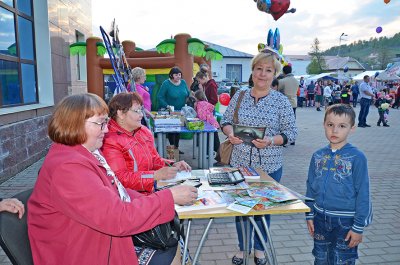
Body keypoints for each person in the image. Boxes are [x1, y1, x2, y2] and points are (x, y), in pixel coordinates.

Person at [28, 93, 198, 265]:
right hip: (81, 253)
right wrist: (168, 198)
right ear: (75, 124)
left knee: (175, 247)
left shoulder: (83, 154)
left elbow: (116, 191)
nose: (107, 129)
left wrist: (160, 195)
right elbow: (118, 218)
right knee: (172, 252)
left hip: (94, 240)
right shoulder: (68, 168)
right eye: (101, 123)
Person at [221, 51, 297, 265]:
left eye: (268, 70)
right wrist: (230, 134)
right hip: (239, 163)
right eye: (259, 69)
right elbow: (225, 120)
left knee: (263, 208)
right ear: (252, 71)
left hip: (269, 166)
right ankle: (243, 247)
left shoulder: (281, 101)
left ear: (274, 74)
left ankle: (259, 249)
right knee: (241, 207)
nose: (263, 74)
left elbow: (291, 133)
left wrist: (271, 140)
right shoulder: (239, 96)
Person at [305, 104, 372, 265]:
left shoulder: (357, 157)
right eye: (330, 125)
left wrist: (358, 227)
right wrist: (309, 214)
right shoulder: (318, 155)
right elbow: (310, 186)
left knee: (342, 260)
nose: (335, 131)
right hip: (320, 219)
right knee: (320, 259)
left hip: (346, 222)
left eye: (342, 126)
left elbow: (363, 193)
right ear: (324, 125)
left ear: (352, 128)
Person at [102, 92, 192, 195]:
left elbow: (153, 159)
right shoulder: (109, 140)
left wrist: (172, 165)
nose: (141, 115)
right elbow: (119, 179)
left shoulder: (143, 131)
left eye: (141, 110)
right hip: (131, 199)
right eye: (136, 111)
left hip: (152, 190)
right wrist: (154, 176)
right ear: (121, 114)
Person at [157, 67, 190, 153]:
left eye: (179, 74)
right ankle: (172, 153)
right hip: (170, 112)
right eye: (176, 75)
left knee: (178, 131)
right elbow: (160, 97)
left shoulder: (183, 82)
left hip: (181, 111)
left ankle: (176, 149)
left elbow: (188, 93)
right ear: (171, 75)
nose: (178, 76)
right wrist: (167, 106)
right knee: (172, 132)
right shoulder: (166, 83)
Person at [194, 90, 221, 155]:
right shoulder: (206, 102)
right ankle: (219, 151)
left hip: (207, 125)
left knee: (207, 140)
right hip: (213, 123)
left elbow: (200, 115)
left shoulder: (199, 104)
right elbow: (213, 108)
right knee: (215, 139)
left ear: (197, 97)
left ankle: (208, 153)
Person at [278, 64, 299, 145]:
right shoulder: (296, 81)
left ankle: (283, 139)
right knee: (292, 122)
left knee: (282, 123)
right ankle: (292, 139)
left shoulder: (283, 81)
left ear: (283, 72)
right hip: (294, 103)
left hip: (285, 104)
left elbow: (276, 88)